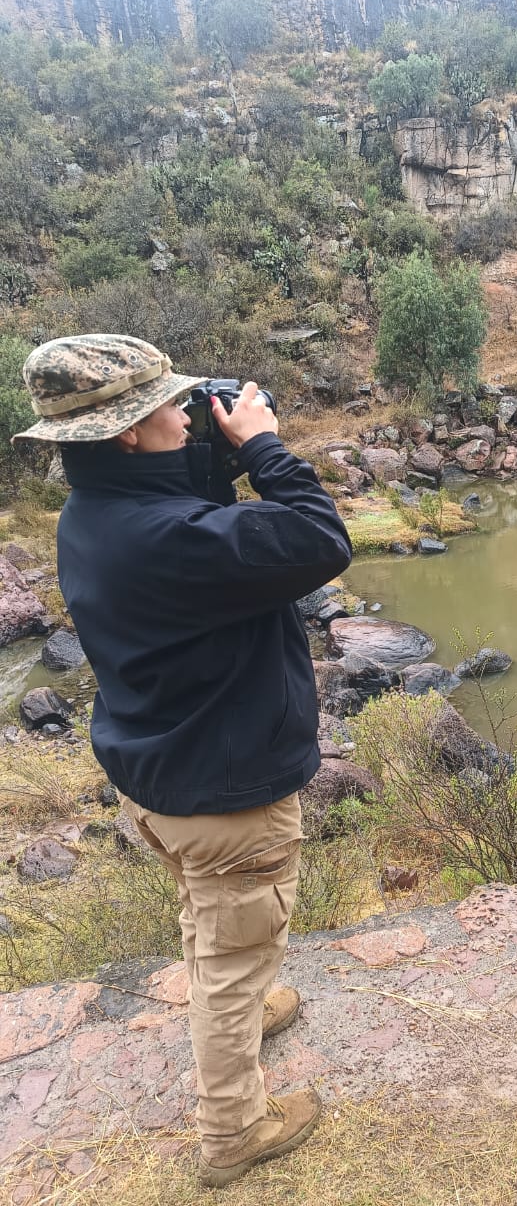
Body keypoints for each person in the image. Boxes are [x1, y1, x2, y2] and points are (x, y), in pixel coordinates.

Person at [13, 333, 352, 1188]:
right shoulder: (176, 538)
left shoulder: (94, 514)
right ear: (128, 431)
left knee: (212, 917)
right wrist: (263, 447)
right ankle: (234, 1130)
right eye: (172, 403)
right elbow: (319, 540)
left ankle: (241, 1004)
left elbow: (188, 512)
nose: (187, 414)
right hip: (227, 796)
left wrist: (214, 451)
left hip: (163, 776)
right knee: (237, 949)